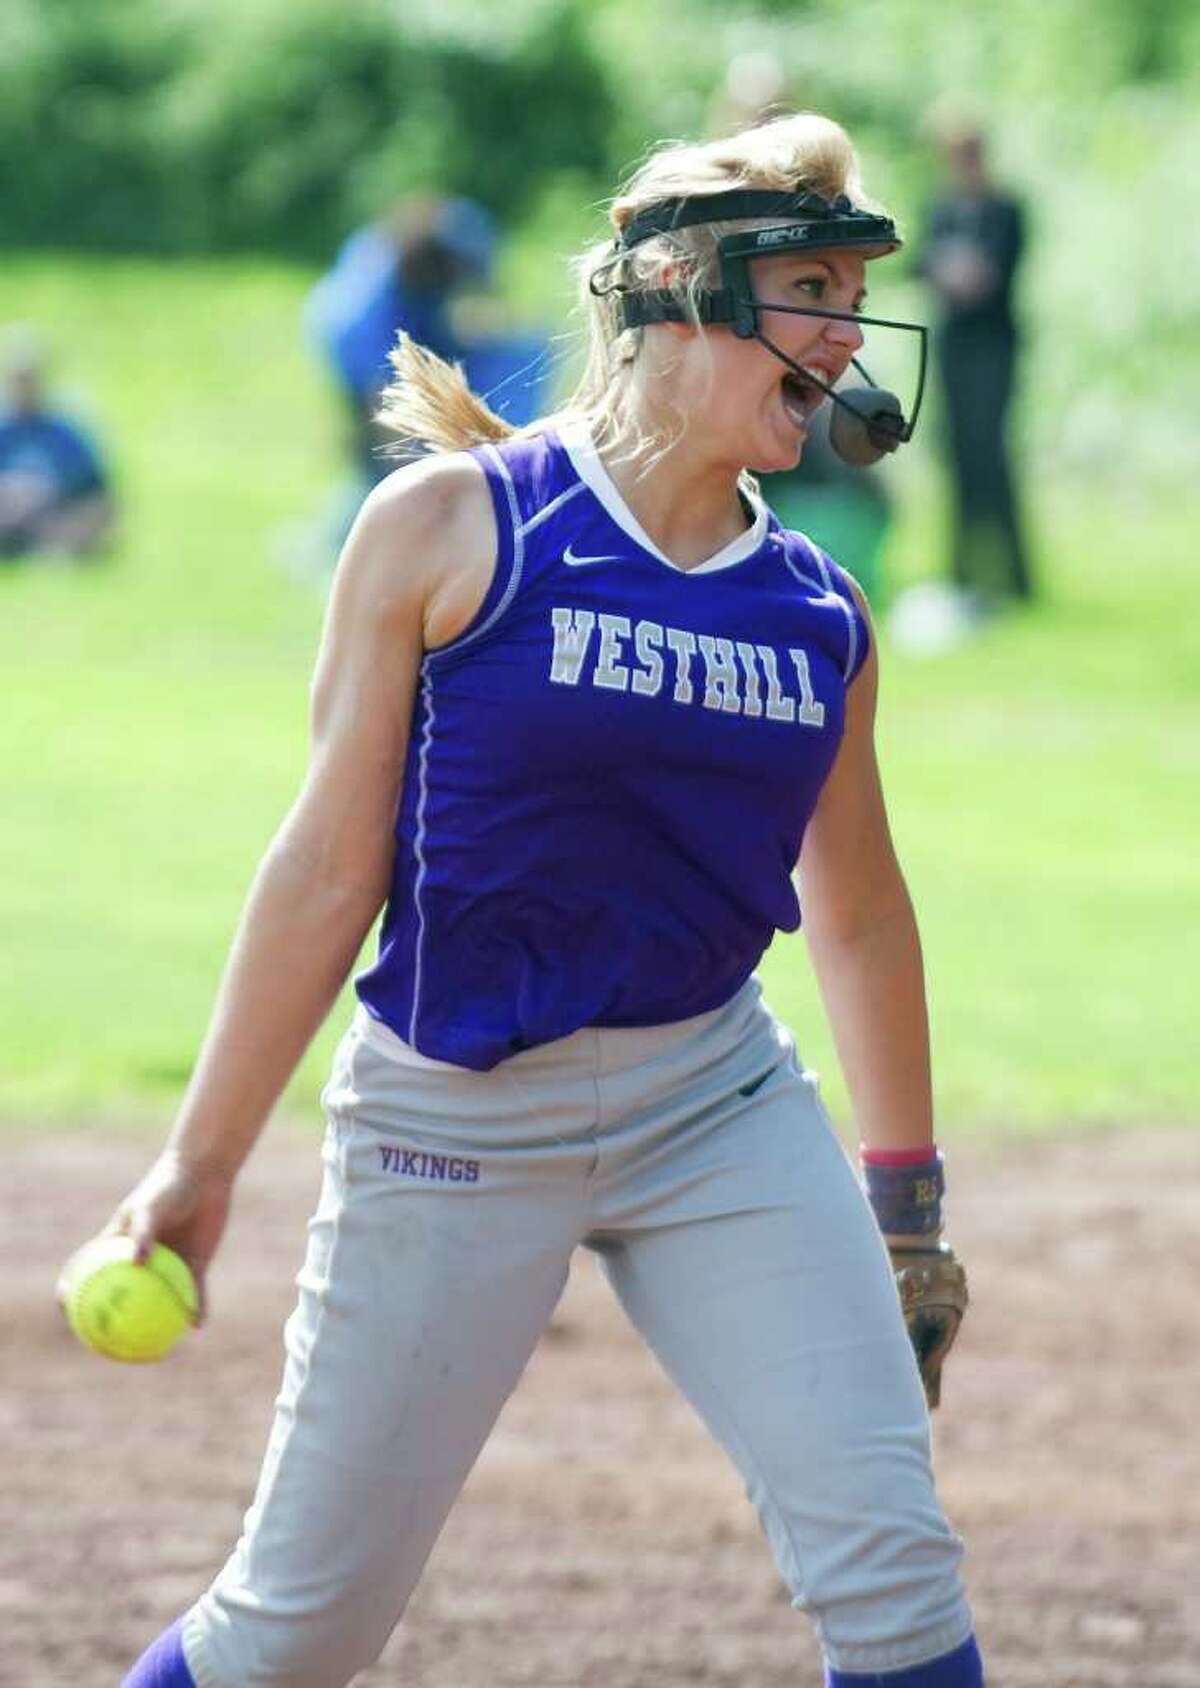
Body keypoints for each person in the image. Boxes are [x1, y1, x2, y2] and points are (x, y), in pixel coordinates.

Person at [105, 113, 982, 1688]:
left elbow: (857, 910)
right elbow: (323, 868)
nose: (846, 338)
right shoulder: (457, 526)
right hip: (457, 1114)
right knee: (300, 1630)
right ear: (672, 288)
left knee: (900, 1579)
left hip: (713, 1103)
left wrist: (907, 1210)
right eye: (811, 290)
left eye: (856, 299)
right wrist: (200, 1163)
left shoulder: (818, 612)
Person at [918, 119, 1031, 603]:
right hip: (954, 345)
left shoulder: (1006, 209)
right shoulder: (939, 210)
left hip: (993, 345)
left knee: (992, 454)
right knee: (956, 451)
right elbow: (919, 263)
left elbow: (1003, 270)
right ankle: (962, 568)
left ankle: (1015, 573)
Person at [0, 331, 114, 561]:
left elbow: (98, 490)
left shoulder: (66, 431)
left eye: (30, 378)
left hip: (54, 513)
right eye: (19, 378)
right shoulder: (4, 427)